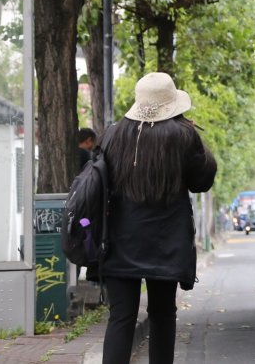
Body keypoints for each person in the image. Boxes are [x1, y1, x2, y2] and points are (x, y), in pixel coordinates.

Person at [99, 72, 217, 364]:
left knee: (121, 316)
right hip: (166, 241)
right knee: (163, 314)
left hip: (119, 241)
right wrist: (197, 140)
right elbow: (202, 181)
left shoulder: (112, 135)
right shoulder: (183, 135)